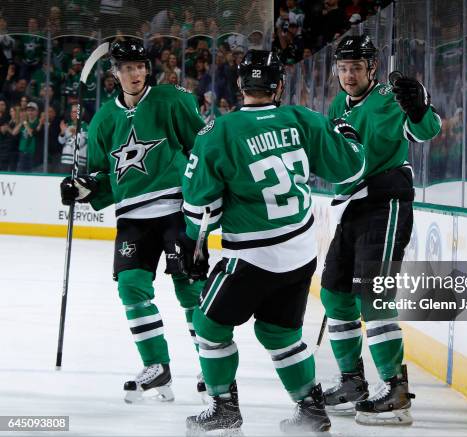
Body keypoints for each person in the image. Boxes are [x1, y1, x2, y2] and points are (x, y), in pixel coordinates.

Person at [179, 49, 366, 435]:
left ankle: (224, 408)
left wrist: (196, 245)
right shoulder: (303, 119)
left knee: (208, 324)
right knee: (279, 333)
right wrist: (349, 136)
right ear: (279, 85)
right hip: (300, 251)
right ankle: (311, 411)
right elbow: (350, 168)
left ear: (240, 85)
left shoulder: (220, 132)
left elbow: (199, 208)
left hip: (251, 256)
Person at [59, 39, 206, 403]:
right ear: (114, 73)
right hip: (132, 220)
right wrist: (82, 189)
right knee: (131, 287)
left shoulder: (172, 100)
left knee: (189, 289)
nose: (135, 73)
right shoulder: (104, 121)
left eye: (140, 66)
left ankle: (211, 367)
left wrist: (204, 200)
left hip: (176, 209)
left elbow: (201, 148)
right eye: (126, 68)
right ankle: (157, 367)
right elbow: (101, 177)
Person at [320, 34, 442, 426]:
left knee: (374, 296)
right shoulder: (339, 104)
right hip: (351, 209)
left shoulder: (390, 97)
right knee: (335, 295)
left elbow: (427, 131)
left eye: (356, 67)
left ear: (371, 68)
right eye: (342, 68)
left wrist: (420, 108)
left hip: (385, 205)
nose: (348, 75)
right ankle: (352, 382)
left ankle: (395, 390)